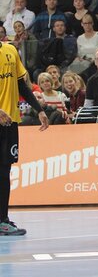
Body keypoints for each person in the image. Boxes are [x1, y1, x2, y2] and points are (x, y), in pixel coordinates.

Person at [0, 41, 48, 235]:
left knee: (4, 173)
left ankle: (3, 220)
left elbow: (21, 84)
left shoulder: (10, 50)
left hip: (9, 122)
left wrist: (39, 110)